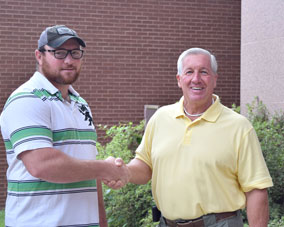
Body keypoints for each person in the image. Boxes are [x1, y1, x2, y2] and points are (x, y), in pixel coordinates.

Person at [106, 47, 273, 227]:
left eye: (204, 72)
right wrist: (125, 171)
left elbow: (256, 189)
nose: (196, 79)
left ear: (215, 79)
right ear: (179, 80)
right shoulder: (161, 118)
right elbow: (146, 166)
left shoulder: (239, 126)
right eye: (189, 72)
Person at [0, 25, 129, 227]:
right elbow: (42, 165)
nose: (69, 60)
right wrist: (105, 168)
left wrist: (102, 222)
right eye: (59, 53)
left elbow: (89, 168)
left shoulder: (81, 104)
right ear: (39, 56)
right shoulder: (27, 99)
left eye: (75, 53)